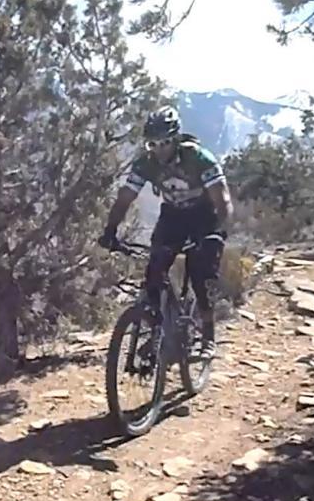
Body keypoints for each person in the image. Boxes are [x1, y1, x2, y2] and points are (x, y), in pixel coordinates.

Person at [98, 105, 234, 360]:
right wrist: (110, 229)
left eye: (165, 143)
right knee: (154, 269)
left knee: (200, 276)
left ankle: (207, 337)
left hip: (204, 215)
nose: (159, 149)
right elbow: (125, 197)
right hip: (173, 215)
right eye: (153, 144)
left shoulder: (199, 158)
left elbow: (223, 201)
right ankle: (157, 330)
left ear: (176, 139)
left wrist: (217, 233)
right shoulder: (145, 164)